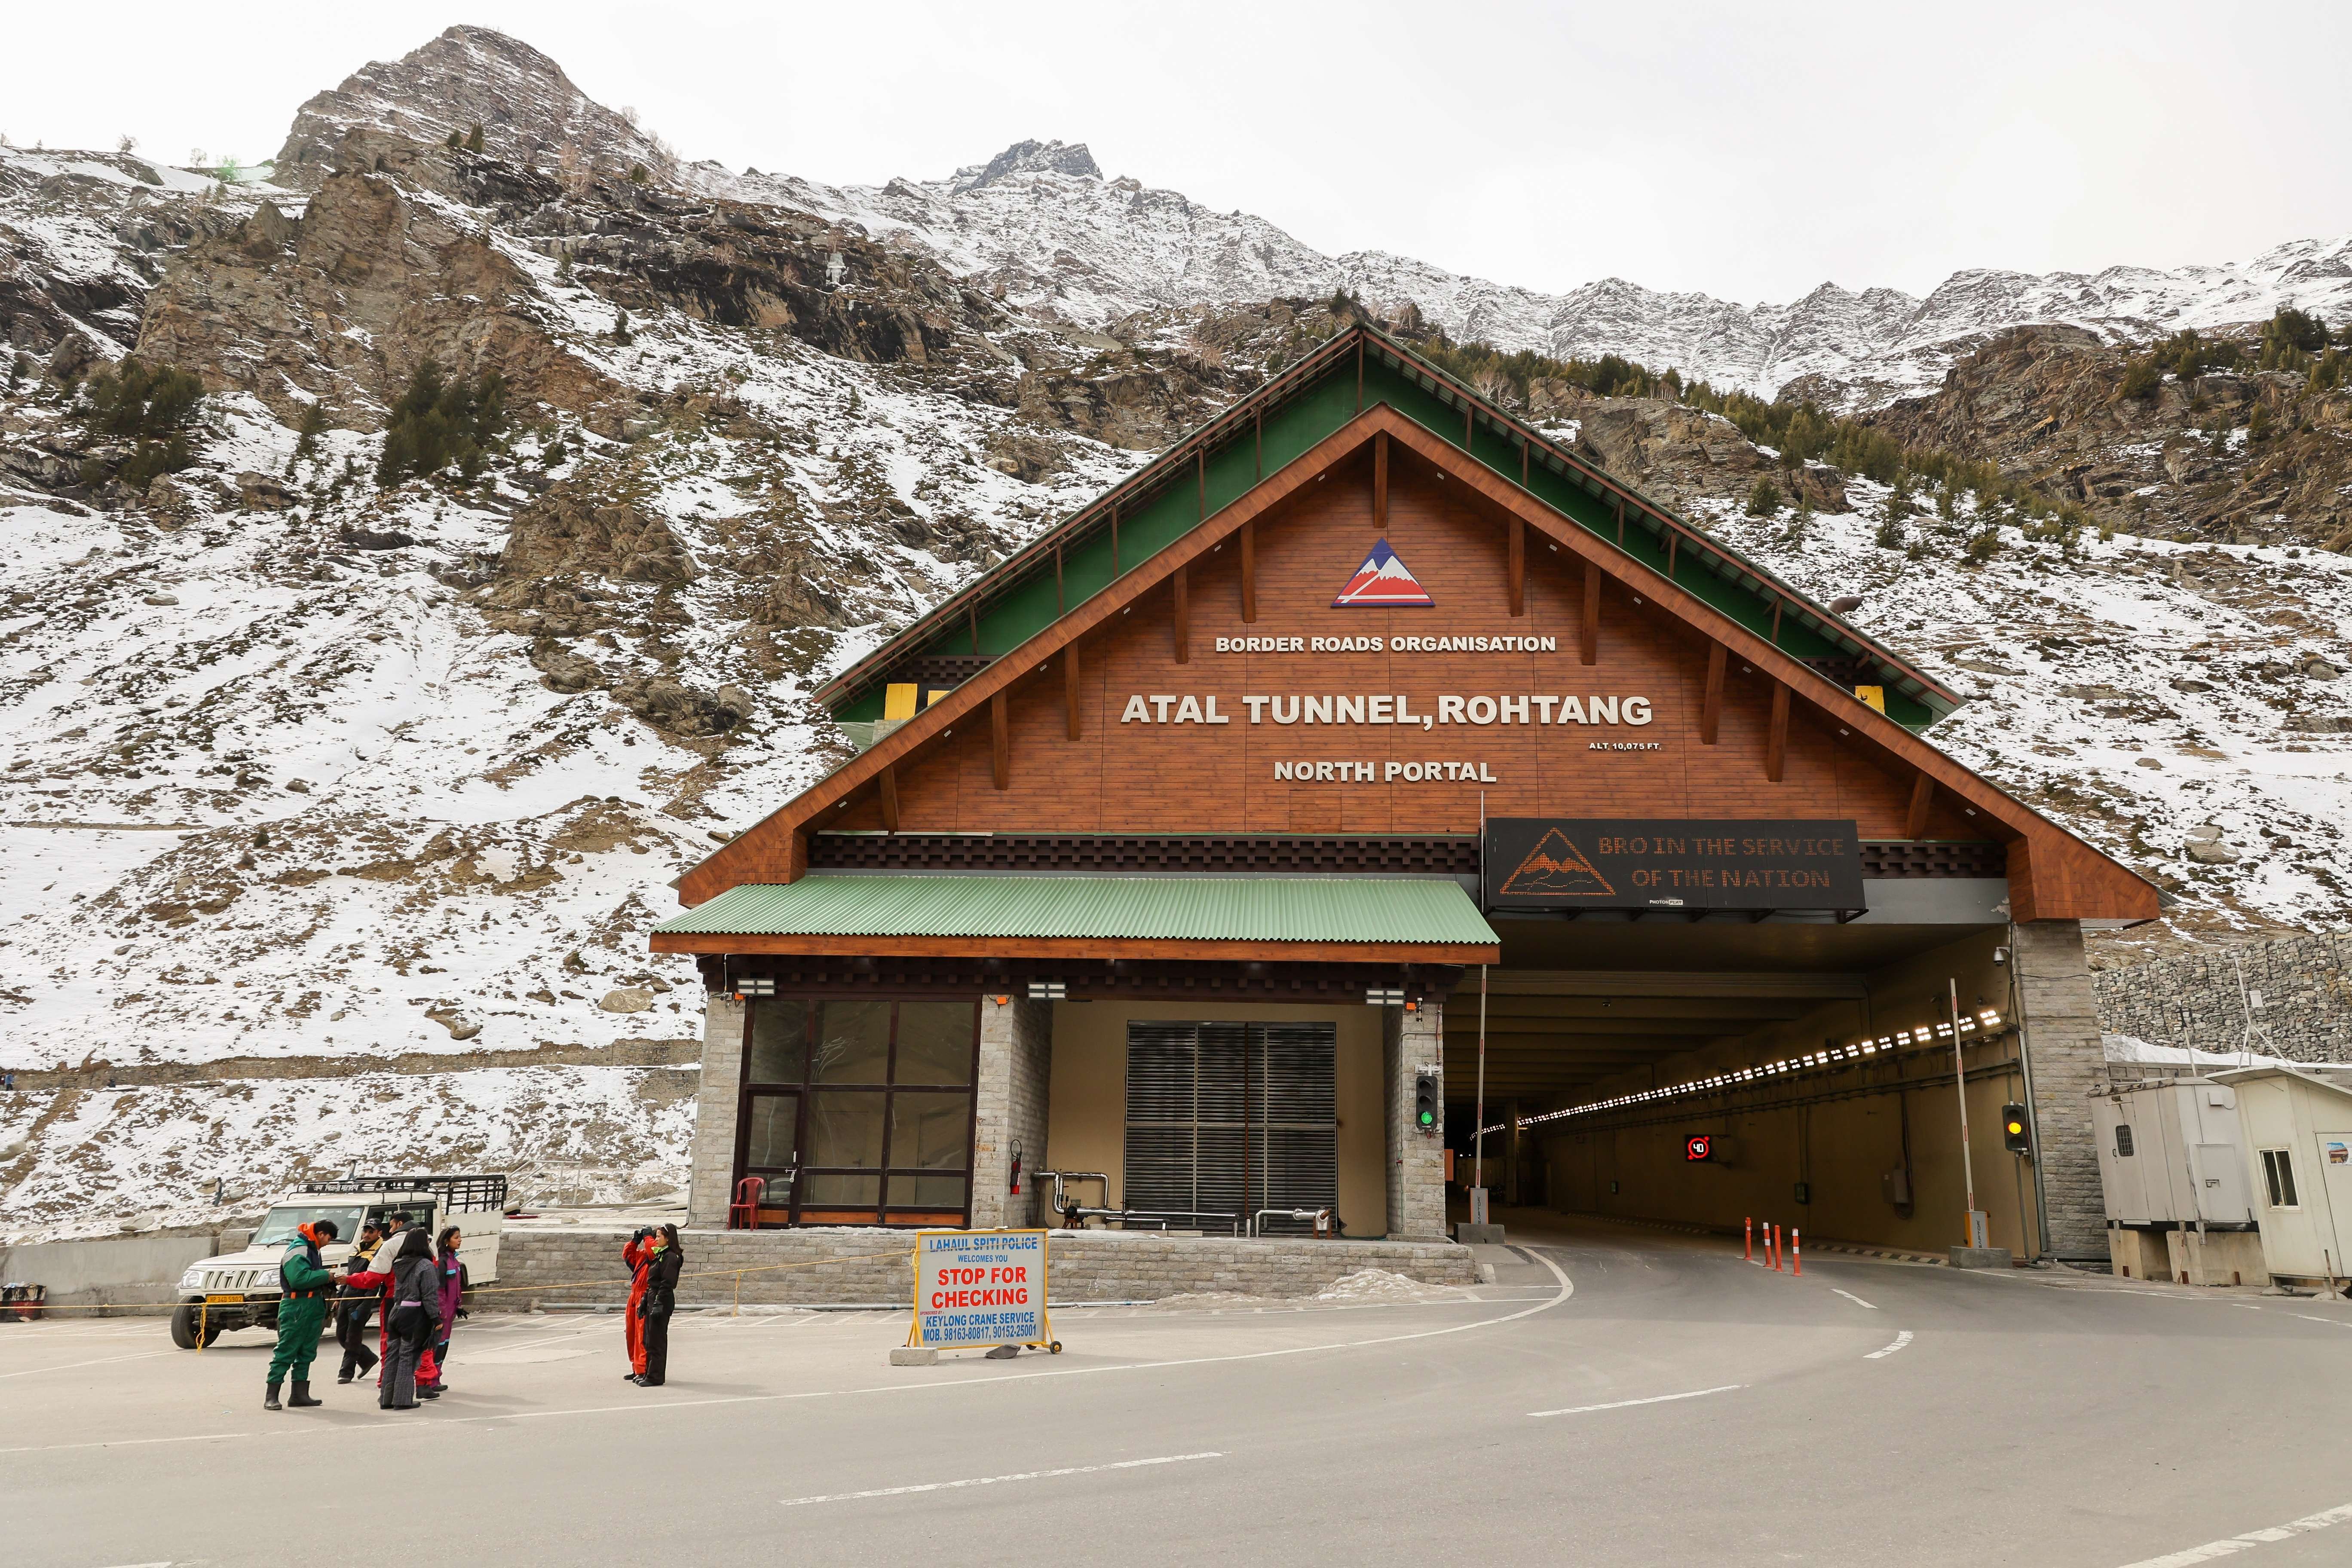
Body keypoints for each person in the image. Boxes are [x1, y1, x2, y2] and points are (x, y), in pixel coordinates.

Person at [265, 1219, 338, 1412]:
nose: (328, 1243)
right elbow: (298, 1279)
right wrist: (325, 1276)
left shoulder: (312, 1249)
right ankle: (271, 1396)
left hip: (313, 1303)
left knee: (307, 1350)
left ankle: (299, 1395)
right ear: (321, 1234)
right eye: (329, 1238)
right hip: (297, 1305)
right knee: (287, 1350)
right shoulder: (300, 1249)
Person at [378, 1228, 444, 1410]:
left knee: (393, 1357)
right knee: (409, 1358)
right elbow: (430, 1296)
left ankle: (387, 1398)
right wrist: (436, 1319)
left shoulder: (399, 1263)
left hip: (396, 1311)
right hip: (415, 1316)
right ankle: (403, 1399)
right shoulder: (425, 1266)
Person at [632, 1225, 683, 1388]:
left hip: (663, 1299)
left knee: (657, 1340)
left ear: (668, 1238)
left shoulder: (670, 1257)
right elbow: (651, 1282)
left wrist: (659, 1304)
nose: (657, 1239)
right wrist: (645, 1302)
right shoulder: (659, 1255)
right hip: (653, 1297)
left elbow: (667, 1284)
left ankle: (656, 1376)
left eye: (660, 1236)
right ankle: (648, 1372)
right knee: (648, 1339)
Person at [334, 1221, 384, 1384]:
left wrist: (366, 1305)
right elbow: (350, 1275)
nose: (367, 1235)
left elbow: (374, 1281)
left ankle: (346, 1372)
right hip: (347, 1297)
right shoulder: (358, 1249)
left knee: (352, 1338)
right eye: (366, 1231)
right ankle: (368, 1358)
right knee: (341, 1336)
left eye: (371, 1232)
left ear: (379, 1233)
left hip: (361, 1299)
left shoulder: (380, 1252)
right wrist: (340, 1296)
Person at [421, 1226, 465, 1396]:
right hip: (443, 1313)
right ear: (447, 1241)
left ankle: (436, 1378)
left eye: (460, 1237)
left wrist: (459, 1306)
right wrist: (441, 1313)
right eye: (456, 1237)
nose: (460, 1240)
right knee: (437, 1346)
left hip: (451, 1311)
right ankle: (430, 1380)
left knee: (443, 1346)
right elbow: (439, 1290)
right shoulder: (443, 1261)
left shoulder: (455, 1260)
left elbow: (456, 1286)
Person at [621, 1228, 656, 1381]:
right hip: (634, 1296)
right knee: (631, 1334)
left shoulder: (656, 1254)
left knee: (642, 1335)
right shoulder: (643, 1255)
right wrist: (634, 1242)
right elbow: (628, 1257)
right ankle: (636, 1367)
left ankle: (642, 1370)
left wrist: (648, 1237)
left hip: (644, 1295)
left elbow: (653, 1251)